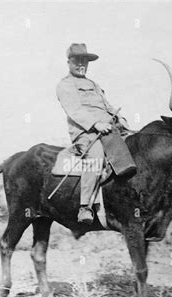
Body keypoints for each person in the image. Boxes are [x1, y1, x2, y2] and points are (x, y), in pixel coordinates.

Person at [56, 43, 131, 224]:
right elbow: (74, 110)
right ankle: (85, 207)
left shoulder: (93, 85)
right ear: (69, 62)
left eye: (85, 61)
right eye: (77, 61)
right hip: (86, 133)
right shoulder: (65, 85)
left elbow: (108, 106)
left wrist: (121, 120)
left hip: (109, 129)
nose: (81, 64)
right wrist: (96, 124)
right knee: (96, 155)